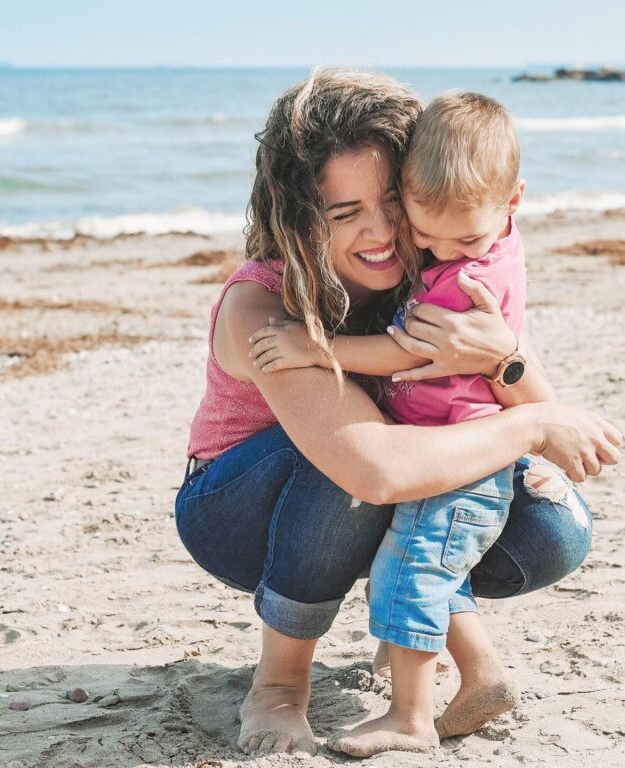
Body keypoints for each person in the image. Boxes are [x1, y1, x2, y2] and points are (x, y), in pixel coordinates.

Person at [174, 69, 621, 758]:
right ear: (298, 215)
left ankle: (421, 626)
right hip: (239, 512)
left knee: (551, 527)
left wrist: (504, 357)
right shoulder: (258, 307)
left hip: (373, 484)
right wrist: (529, 428)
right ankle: (280, 684)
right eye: (344, 212)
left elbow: (555, 430)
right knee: (356, 460)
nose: (382, 231)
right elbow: (375, 469)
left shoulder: (439, 267)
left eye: (391, 201)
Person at [249, 91, 534, 757]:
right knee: (405, 555)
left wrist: (315, 346)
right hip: (432, 454)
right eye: (424, 230)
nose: (417, 245)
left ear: (513, 200)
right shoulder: (488, 245)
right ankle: (478, 673)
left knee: (411, 573)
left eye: (395, 212)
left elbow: (409, 351)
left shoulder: (458, 280)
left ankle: (411, 715)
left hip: (450, 457)